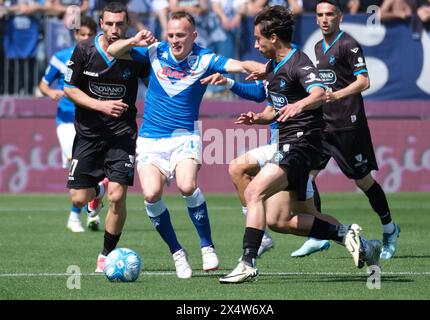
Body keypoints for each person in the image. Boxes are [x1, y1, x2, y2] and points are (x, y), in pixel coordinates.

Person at [219, 5, 380, 284]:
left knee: (254, 191)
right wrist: (258, 118)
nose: (255, 44)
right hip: (288, 142)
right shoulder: (273, 67)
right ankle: (348, 235)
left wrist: (300, 105)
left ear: (274, 38)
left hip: (302, 144)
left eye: (258, 38)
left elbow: (318, 93)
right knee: (281, 220)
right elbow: (274, 109)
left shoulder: (299, 62)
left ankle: (247, 262)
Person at [107, 10, 263, 279]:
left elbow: (239, 64)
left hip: (184, 137)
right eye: (171, 35)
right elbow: (111, 50)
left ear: (194, 35)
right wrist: (134, 41)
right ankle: (178, 252)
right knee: (151, 194)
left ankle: (207, 246)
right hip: (151, 140)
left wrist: (266, 69)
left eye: (181, 35)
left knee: (187, 185)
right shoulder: (154, 51)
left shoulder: (205, 59)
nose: (175, 40)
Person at [292, 0, 400, 260]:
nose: (324, 19)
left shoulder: (348, 44)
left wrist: (337, 95)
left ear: (339, 17)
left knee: (362, 181)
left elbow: (364, 81)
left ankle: (389, 228)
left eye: (330, 14)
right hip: (323, 126)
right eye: (320, 15)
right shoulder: (317, 47)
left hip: (348, 124)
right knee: (306, 176)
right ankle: (318, 235)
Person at [63, 1, 153, 272]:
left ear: (127, 25)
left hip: (121, 135)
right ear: (101, 24)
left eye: (120, 24)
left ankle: (106, 254)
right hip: (88, 134)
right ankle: (96, 192)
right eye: (109, 24)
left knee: (118, 197)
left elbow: (157, 86)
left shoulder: (137, 58)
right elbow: (69, 88)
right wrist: (100, 104)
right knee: (78, 199)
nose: (115, 29)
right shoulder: (83, 50)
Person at [39, 16, 100, 233]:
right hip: (67, 121)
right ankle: (77, 215)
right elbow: (43, 84)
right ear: (76, 35)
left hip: (92, 120)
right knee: (78, 164)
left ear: (95, 35)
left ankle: (89, 207)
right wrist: (51, 92)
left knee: (94, 170)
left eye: (89, 35)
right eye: (81, 34)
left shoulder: (101, 58)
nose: (85, 38)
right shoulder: (61, 58)